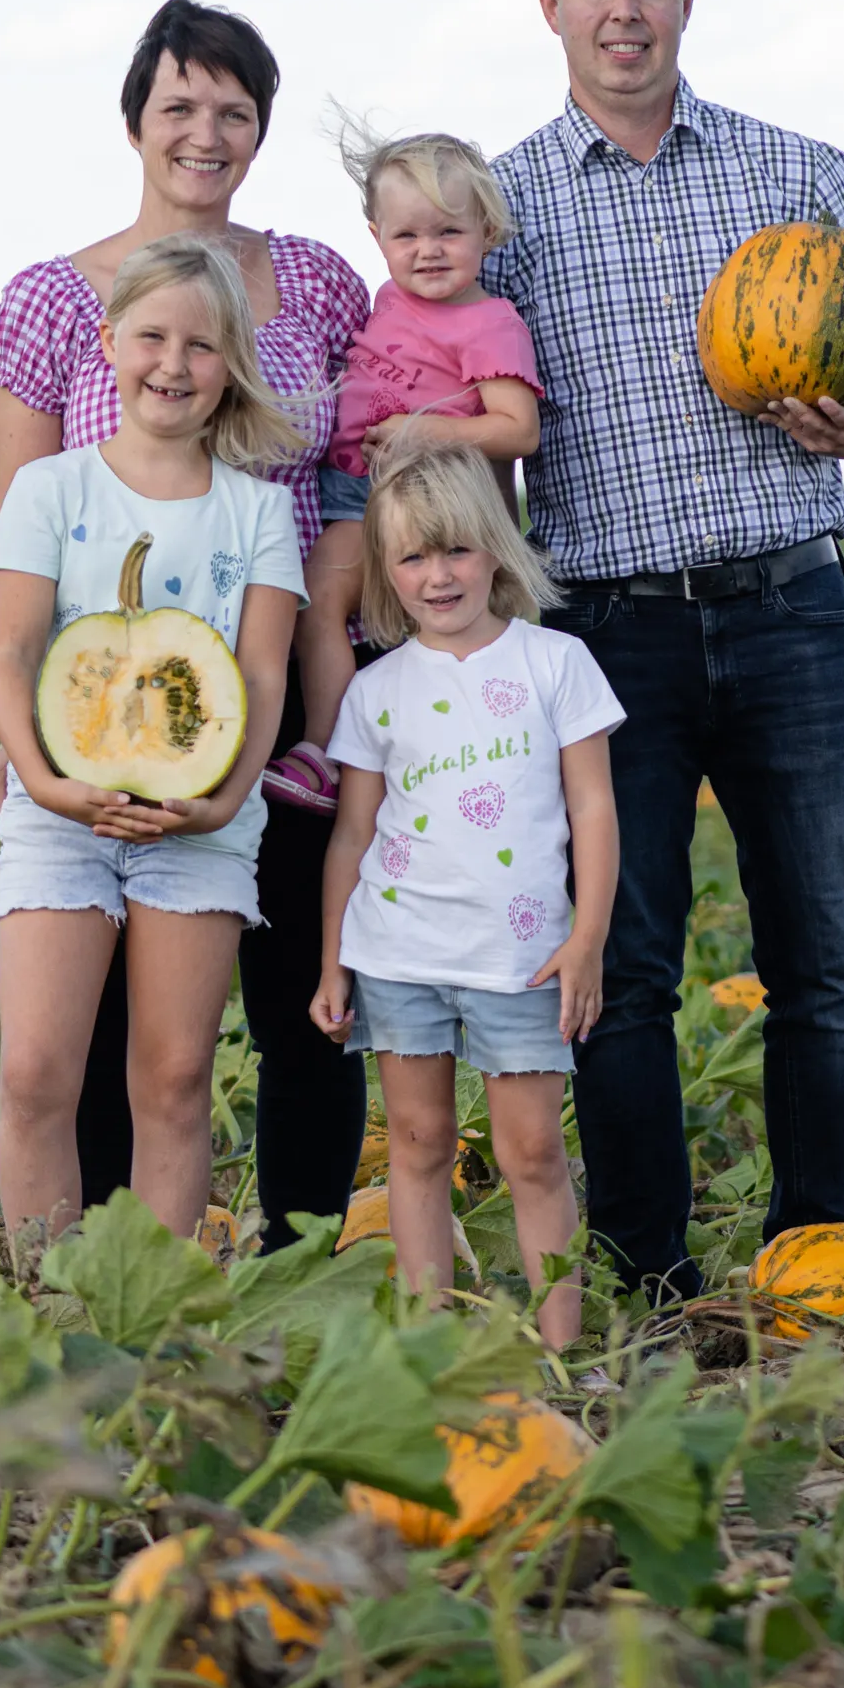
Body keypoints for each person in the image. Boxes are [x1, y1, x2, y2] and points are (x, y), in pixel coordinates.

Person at [486, 0, 844, 1299]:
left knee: (819, 964)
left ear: (685, 3)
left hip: (788, 604)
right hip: (605, 629)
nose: (623, 12)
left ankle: (818, 1264)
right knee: (623, 966)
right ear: (550, 7)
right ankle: (645, 1271)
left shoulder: (799, 171)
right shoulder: (505, 208)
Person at [0, 0, 373, 1252]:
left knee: (293, 1012)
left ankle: (283, 1264)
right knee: (80, 1051)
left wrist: (354, 682)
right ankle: (85, 1280)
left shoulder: (314, 278)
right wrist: (28, 744)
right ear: (137, 119)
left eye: (234, 110)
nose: (206, 132)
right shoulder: (48, 300)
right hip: (96, 712)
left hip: (282, 695)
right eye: (179, 106)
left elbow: (361, 469)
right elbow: (26, 549)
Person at [0, 236, 304, 1252]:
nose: (174, 362)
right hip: (58, 815)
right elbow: (13, 651)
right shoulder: (52, 490)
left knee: (172, 1077)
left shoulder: (259, 510)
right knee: (36, 1072)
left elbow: (258, 677)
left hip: (200, 825)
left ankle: (153, 1321)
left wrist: (222, 798)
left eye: (202, 346)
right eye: (153, 336)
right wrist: (42, 781)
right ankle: (47, 1304)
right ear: (109, 342)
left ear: (231, 364)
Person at [311, 443, 622, 1346]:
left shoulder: (555, 664)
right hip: (400, 954)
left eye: (455, 550)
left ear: (495, 548)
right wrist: (333, 959)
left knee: (532, 1153)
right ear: (386, 572)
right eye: (411, 557)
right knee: (416, 1146)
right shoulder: (375, 692)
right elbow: (352, 836)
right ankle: (427, 1344)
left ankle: (563, 1349)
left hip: (521, 959)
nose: (437, 576)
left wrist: (588, 937)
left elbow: (593, 811)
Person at [296, 128, 545, 762]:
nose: (427, 251)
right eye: (406, 236)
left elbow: (518, 429)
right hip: (352, 487)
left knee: (415, 619)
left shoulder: (489, 322)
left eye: (448, 233)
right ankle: (326, 752)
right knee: (317, 601)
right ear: (376, 236)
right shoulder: (386, 298)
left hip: (425, 500)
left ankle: (352, 754)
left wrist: (429, 431)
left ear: (487, 230)